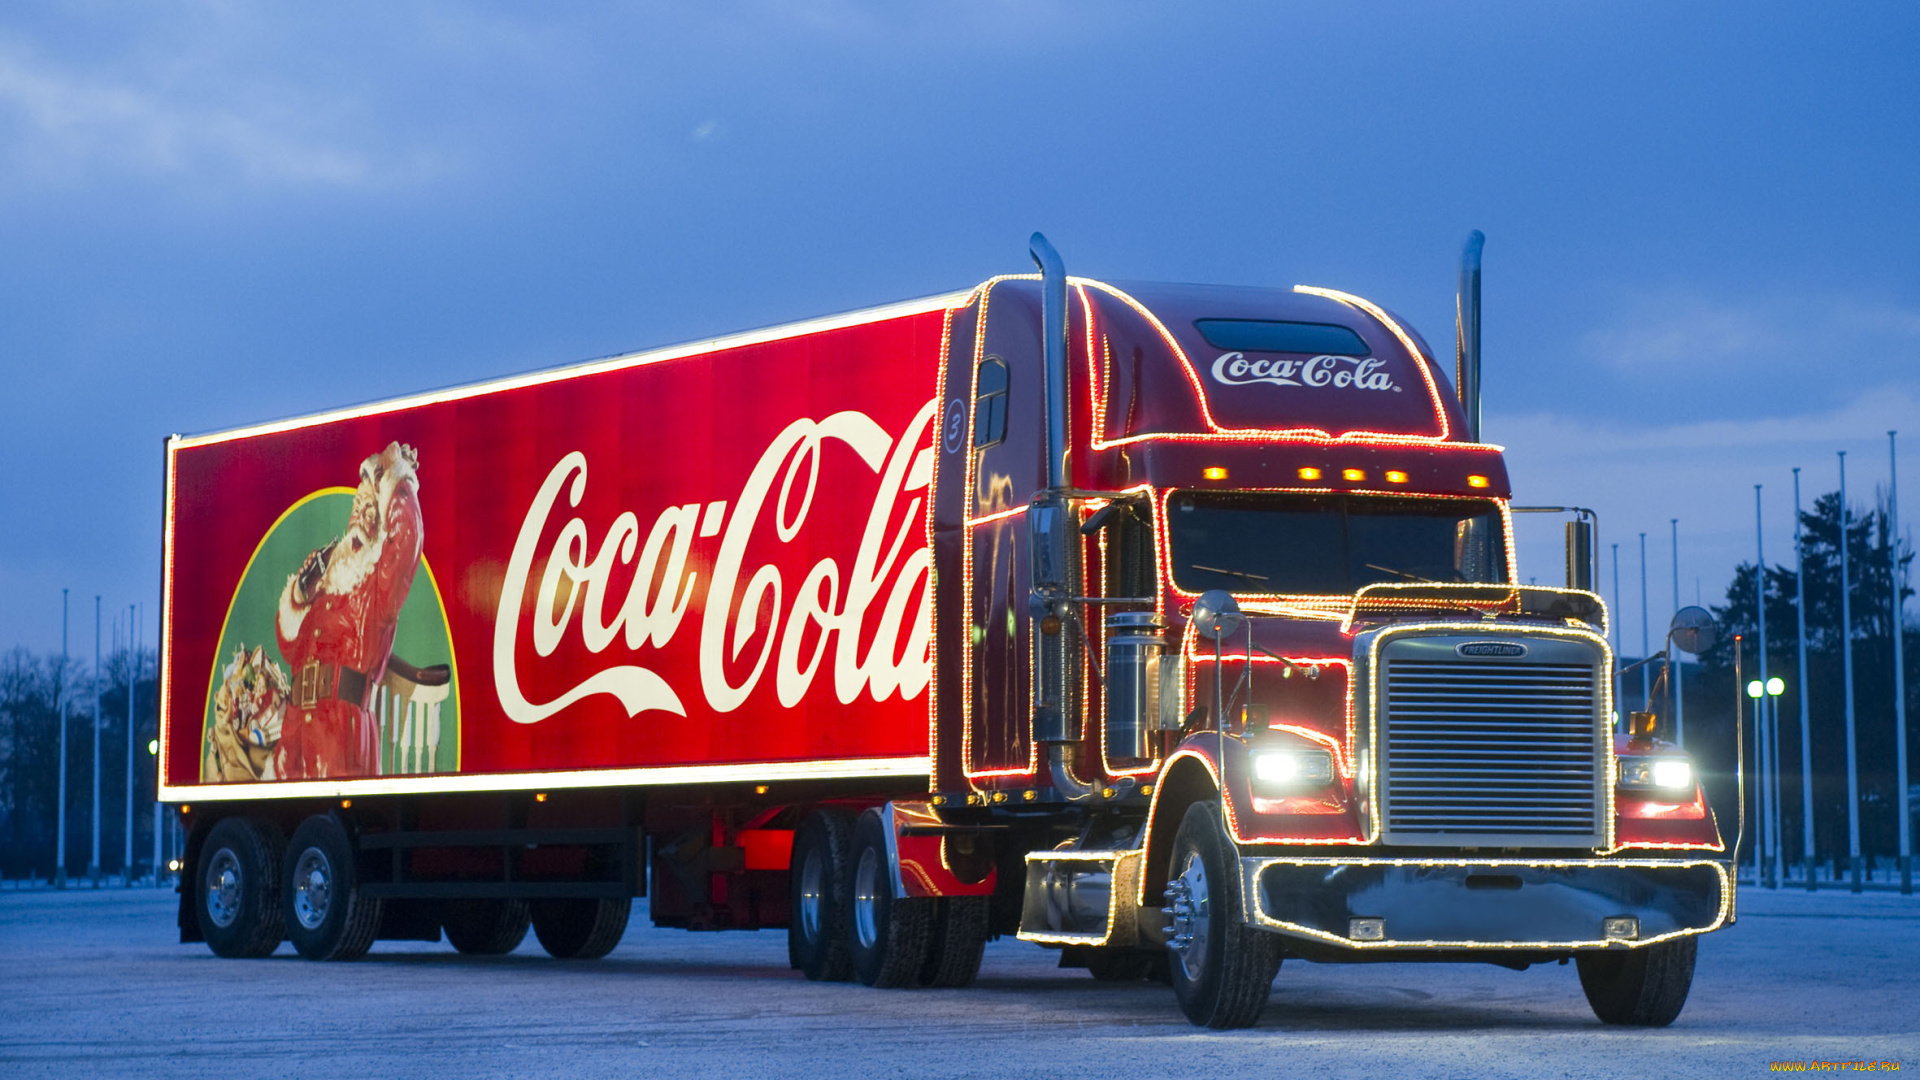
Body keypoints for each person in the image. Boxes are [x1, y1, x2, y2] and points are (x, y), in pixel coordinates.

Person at [273, 442, 424, 779]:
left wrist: (398, 480)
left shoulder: (377, 585)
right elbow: (290, 647)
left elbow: (407, 537)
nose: (360, 517)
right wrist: (300, 593)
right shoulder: (327, 583)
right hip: (295, 736)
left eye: (371, 509)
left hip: (341, 738)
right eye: (357, 507)